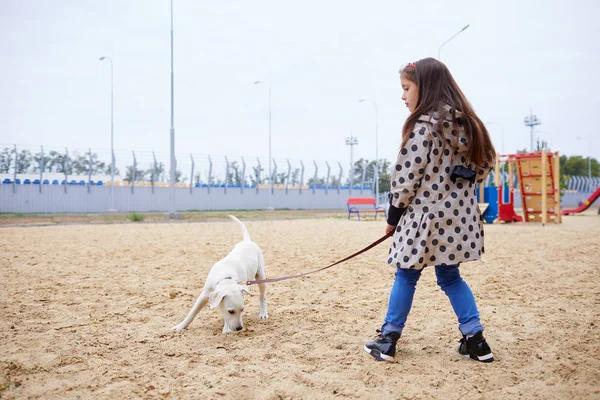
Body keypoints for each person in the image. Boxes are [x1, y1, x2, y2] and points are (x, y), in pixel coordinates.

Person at [363, 57, 496, 363]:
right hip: (459, 218)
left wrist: (393, 218)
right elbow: (486, 162)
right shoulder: (469, 126)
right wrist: (463, 179)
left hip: (423, 219)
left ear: (425, 88)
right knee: (451, 277)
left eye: (406, 88)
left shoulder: (423, 128)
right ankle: (476, 341)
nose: (403, 96)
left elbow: (405, 180)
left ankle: (388, 339)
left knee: (406, 276)